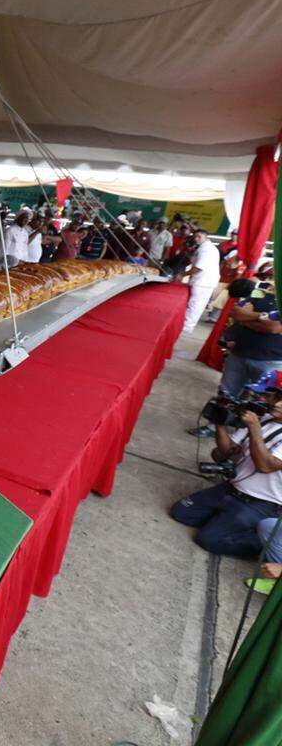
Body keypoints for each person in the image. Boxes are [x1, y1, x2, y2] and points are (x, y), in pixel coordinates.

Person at [171, 371, 282, 558]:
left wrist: (254, 428)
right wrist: (220, 421)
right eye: (266, 395)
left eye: (270, 396)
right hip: (231, 489)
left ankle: (265, 544)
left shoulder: (259, 423)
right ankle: (227, 522)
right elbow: (228, 451)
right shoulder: (264, 419)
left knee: (208, 539)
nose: (265, 400)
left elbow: (265, 465)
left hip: (262, 503)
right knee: (182, 513)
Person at [177, 228, 221, 333]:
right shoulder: (206, 248)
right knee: (195, 305)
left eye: (199, 237)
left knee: (195, 305)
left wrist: (182, 275)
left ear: (206, 237)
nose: (196, 239)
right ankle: (187, 326)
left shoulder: (206, 249)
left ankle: (187, 327)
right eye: (195, 237)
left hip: (203, 282)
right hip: (203, 281)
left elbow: (198, 267)